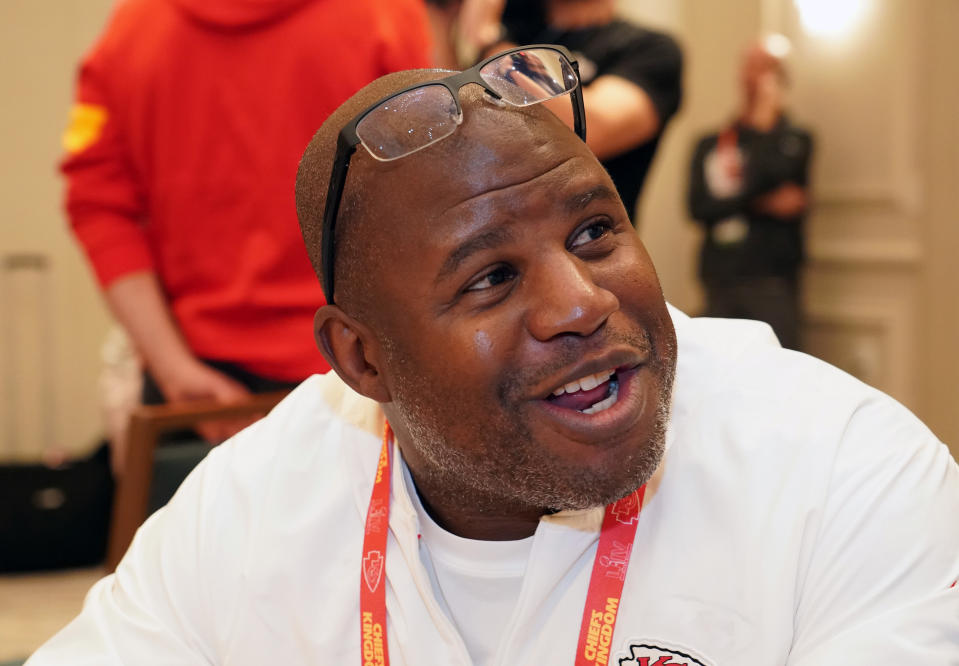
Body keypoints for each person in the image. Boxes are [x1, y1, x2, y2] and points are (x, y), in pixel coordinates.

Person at [30, 48, 959, 665]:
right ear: (362, 361)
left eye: (595, 231)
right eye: (488, 279)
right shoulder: (248, 509)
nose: (580, 303)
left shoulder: (843, 472)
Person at [61, 0, 433, 443]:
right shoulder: (382, 16)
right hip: (360, 374)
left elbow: (96, 205)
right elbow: (427, 184)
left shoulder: (129, 33)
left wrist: (173, 367)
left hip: (197, 393)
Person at [435, 0, 682, 224]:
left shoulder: (648, 48)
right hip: (495, 234)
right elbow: (449, 114)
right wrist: (444, 18)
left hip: (587, 242)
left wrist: (487, 38)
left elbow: (588, 127)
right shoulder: (517, 30)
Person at [688, 40, 813, 351]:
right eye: (749, 66)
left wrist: (761, 126)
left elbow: (768, 175)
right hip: (720, 276)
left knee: (779, 375)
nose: (754, 76)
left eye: (766, 68)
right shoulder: (711, 144)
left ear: (781, 78)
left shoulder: (797, 140)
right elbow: (699, 207)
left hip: (773, 278)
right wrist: (763, 202)